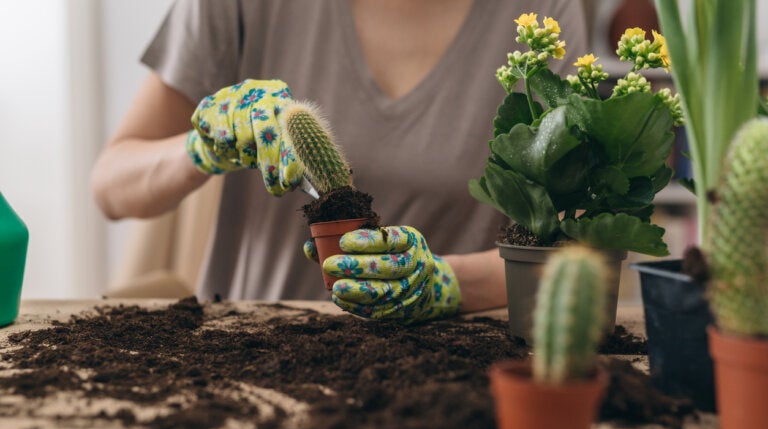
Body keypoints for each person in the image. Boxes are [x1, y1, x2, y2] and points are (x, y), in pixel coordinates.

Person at [91, 0, 587, 322]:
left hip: (446, 368)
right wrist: (201, 148)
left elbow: (578, 246)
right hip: (248, 352)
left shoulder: (544, 16)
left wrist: (448, 282)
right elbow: (112, 184)